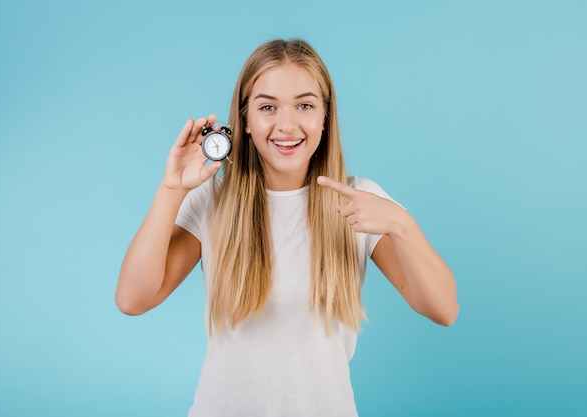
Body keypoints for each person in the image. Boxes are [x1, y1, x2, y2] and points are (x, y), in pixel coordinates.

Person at [115, 38, 459, 417]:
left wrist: (401, 225)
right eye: (267, 107)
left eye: (305, 105)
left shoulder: (358, 199)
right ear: (245, 120)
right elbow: (133, 299)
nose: (287, 124)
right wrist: (171, 190)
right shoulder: (213, 200)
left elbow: (443, 309)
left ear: (325, 117)